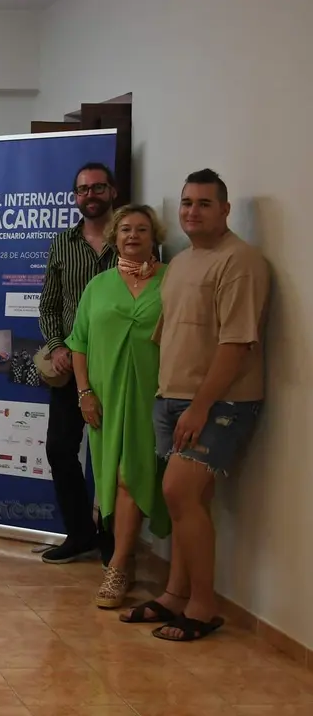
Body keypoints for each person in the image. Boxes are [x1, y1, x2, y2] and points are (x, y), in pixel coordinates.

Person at [124, 170, 269, 642]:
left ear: (225, 209)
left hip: (219, 403)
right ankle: (175, 595)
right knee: (190, 503)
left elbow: (236, 343)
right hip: (173, 399)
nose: (193, 211)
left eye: (205, 203)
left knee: (179, 495)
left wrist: (200, 407)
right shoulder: (182, 261)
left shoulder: (240, 261)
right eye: (187, 202)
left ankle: (204, 608)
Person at [66, 204, 172, 609]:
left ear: (154, 236)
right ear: (114, 236)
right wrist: (83, 393)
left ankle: (120, 564)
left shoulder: (171, 281)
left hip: (154, 398)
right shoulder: (99, 286)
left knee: (134, 475)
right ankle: (122, 559)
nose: (133, 236)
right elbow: (79, 344)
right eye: (125, 229)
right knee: (114, 478)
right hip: (105, 400)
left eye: (142, 229)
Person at [38, 162, 119, 565]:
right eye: (83, 190)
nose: (91, 195)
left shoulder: (130, 239)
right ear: (75, 197)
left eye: (98, 188)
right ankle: (80, 533)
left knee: (115, 456)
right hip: (72, 367)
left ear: (112, 192)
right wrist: (56, 346)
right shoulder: (62, 244)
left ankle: (115, 542)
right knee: (60, 449)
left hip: (119, 367)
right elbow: (49, 304)